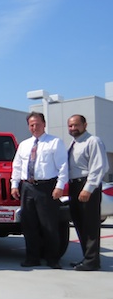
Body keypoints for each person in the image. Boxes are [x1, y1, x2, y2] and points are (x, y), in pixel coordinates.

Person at [11, 111, 68, 269]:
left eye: (37, 124)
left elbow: (63, 166)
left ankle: (52, 259)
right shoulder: (24, 145)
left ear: (44, 124)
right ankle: (32, 258)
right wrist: (14, 185)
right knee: (29, 225)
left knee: (49, 225)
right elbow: (17, 166)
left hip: (47, 188)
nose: (34, 127)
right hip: (27, 187)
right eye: (31, 125)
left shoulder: (55, 142)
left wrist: (59, 186)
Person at [67, 114, 109, 271]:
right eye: (70, 126)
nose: (73, 128)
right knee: (79, 223)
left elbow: (99, 167)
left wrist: (88, 189)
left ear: (85, 125)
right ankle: (87, 258)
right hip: (74, 186)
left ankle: (92, 261)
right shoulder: (74, 143)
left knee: (90, 225)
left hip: (86, 186)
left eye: (76, 125)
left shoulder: (93, 141)